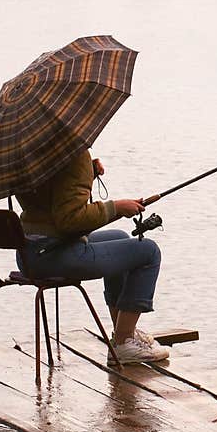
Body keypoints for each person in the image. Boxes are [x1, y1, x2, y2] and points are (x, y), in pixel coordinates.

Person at [14, 149, 169, 365]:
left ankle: (124, 332)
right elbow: (70, 221)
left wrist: (87, 174)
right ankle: (124, 345)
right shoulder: (73, 155)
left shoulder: (31, 154)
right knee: (149, 251)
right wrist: (116, 207)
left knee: (120, 236)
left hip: (29, 255)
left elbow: (51, 198)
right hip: (56, 255)